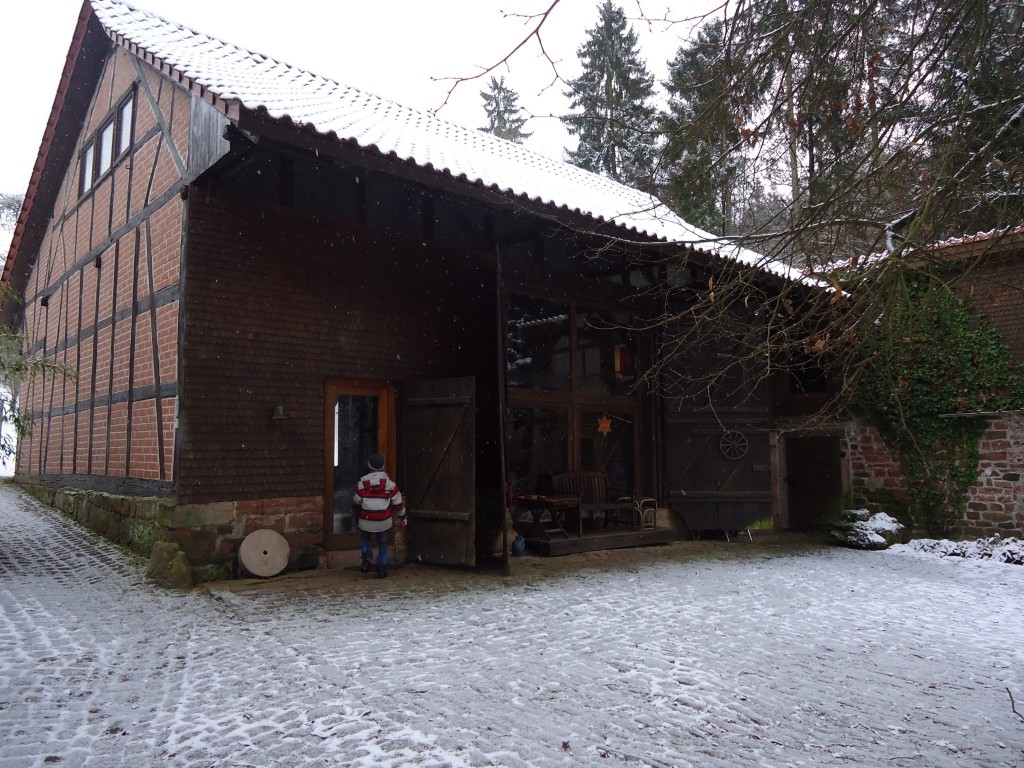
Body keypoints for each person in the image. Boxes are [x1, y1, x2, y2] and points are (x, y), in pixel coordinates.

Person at [352, 452, 406, 578]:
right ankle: (382, 566)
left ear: (369, 465)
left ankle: (367, 555)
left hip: (366, 519)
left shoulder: (362, 484)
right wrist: (402, 517)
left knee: (364, 538)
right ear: (383, 466)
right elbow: (398, 503)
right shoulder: (390, 485)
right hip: (383, 520)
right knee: (383, 542)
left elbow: (357, 501)